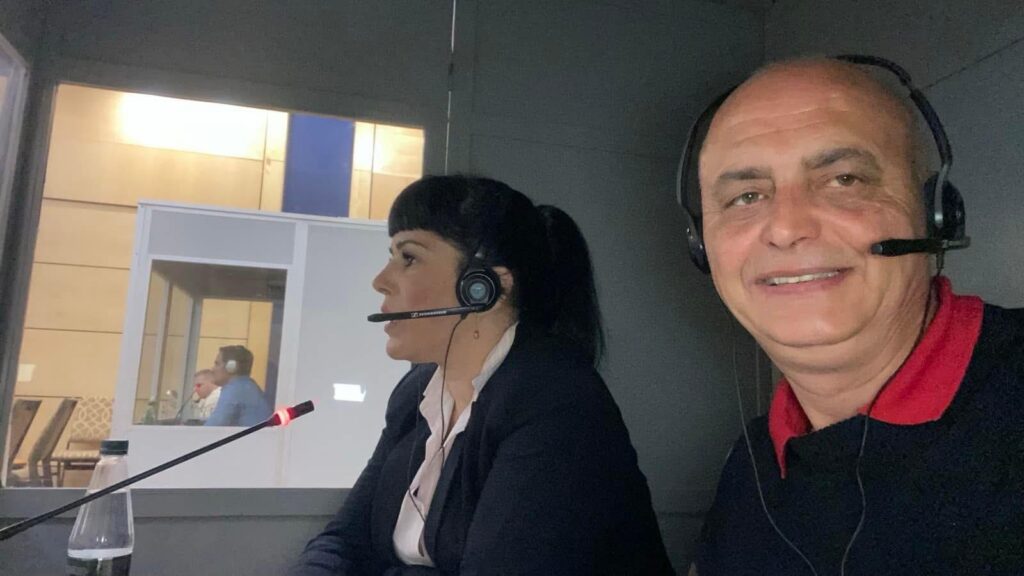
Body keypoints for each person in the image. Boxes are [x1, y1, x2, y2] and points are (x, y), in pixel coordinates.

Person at [686, 57, 1024, 574]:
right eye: (746, 196)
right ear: (702, 247)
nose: (786, 228)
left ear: (936, 214)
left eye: (844, 179)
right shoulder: (748, 465)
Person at [289, 175, 674, 575]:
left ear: (484, 288)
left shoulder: (556, 402)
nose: (380, 281)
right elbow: (344, 539)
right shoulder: (415, 394)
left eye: (409, 257)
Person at [204, 345, 272, 427]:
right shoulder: (248, 387)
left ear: (231, 367)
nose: (212, 369)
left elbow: (212, 427)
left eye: (217, 364)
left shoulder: (235, 390)